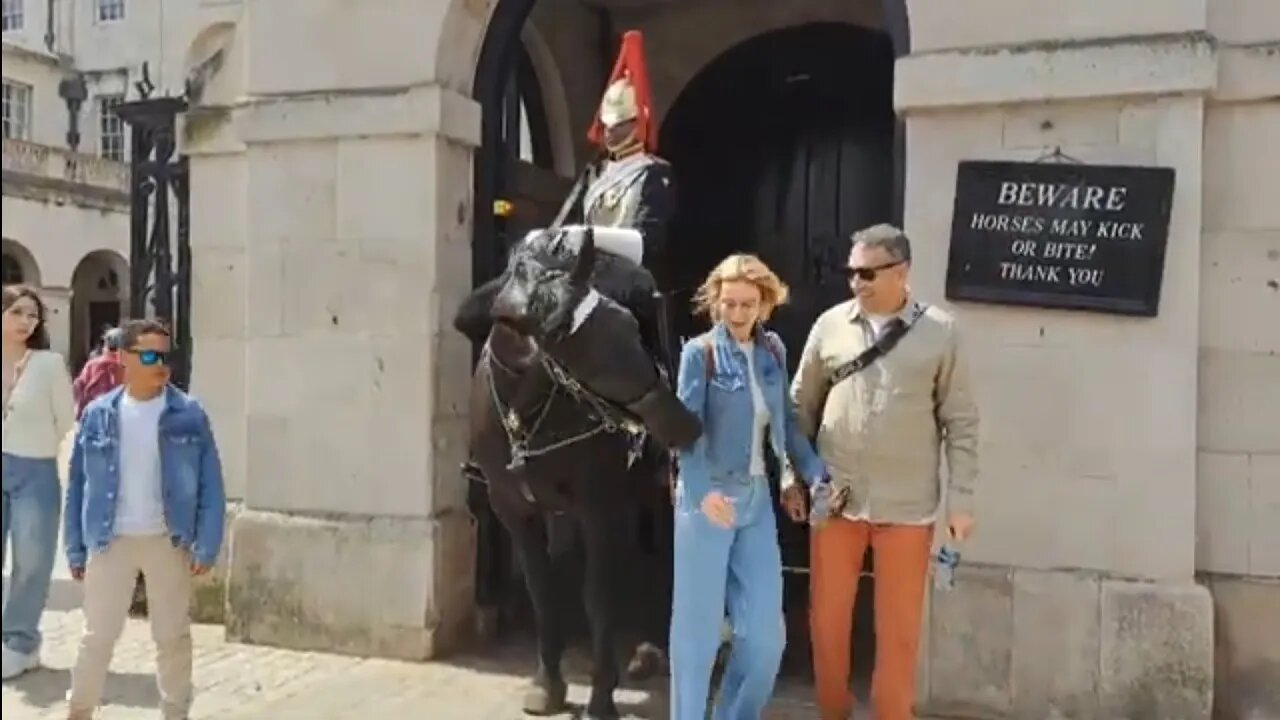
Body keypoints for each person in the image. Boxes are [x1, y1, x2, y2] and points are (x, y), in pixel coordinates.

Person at [789, 224, 980, 720]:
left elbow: (960, 422)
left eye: (869, 272)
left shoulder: (941, 331)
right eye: (852, 272)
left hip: (907, 504)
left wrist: (961, 498)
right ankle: (833, 711)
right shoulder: (830, 325)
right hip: (836, 499)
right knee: (827, 623)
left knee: (898, 630)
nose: (858, 282)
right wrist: (794, 476)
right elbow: (798, 408)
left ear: (902, 272)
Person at [669, 254, 826, 720]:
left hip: (757, 499)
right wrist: (700, 492)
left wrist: (814, 470)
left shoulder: (772, 351)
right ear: (715, 303)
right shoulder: (701, 353)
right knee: (696, 636)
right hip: (709, 498)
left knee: (765, 637)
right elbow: (685, 432)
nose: (737, 314)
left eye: (747, 304)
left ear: (765, 305)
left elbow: (787, 425)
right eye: (729, 304)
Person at [64, 318, 225, 720]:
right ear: (123, 358)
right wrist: (75, 546)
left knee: (171, 637)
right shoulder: (99, 414)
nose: (161, 365)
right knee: (97, 637)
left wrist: (207, 543)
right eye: (150, 355)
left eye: (166, 356)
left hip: (167, 540)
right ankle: (79, 711)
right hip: (109, 539)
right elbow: (78, 486)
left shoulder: (188, 414)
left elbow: (212, 484)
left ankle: (175, 712)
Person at [2, 285, 75, 681]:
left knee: (31, 561)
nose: (26, 322)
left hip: (34, 468)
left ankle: (20, 642)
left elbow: (66, 418)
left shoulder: (48, 364)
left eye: (33, 316)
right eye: (17, 313)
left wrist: (34, 439)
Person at [73, 327, 124, 420]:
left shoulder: (92, 365)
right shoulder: (126, 365)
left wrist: (80, 411)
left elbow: (79, 386)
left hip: (93, 414)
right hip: (119, 415)